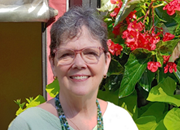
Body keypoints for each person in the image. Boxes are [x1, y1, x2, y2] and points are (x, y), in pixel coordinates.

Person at [8, 6, 138, 130]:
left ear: (106, 63)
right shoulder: (29, 124)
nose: (79, 63)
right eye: (67, 54)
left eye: (90, 53)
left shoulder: (121, 122)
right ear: (53, 63)